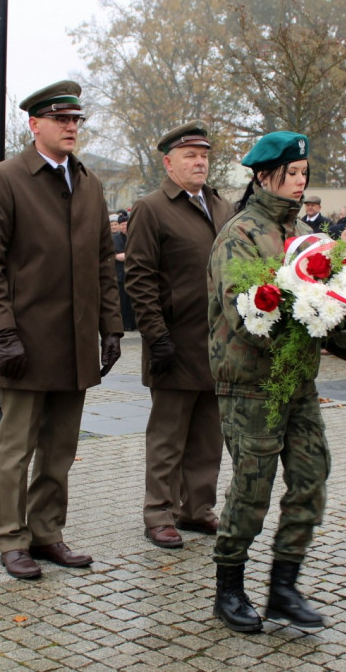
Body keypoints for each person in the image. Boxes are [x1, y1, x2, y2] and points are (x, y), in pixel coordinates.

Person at [0, 80, 123, 580]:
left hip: (75, 342)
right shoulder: (5, 178)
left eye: (76, 120)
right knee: (17, 448)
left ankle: (47, 532)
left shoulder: (90, 183)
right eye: (61, 120)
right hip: (26, 340)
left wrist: (111, 327)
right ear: (34, 124)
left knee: (61, 448)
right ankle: (11, 539)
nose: (71, 128)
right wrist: (2, 333)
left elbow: (103, 261)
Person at [208, 130, 327, 633]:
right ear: (263, 176)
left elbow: (327, 308)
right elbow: (245, 314)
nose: (299, 183)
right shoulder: (240, 234)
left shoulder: (303, 237)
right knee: (252, 490)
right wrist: (309, 310)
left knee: (311, 477)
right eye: (291, 174)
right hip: (250, 382)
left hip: (297, 382)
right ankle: (228, 589)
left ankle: (283, 587)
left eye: (303, 174)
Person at [125, 121, 229, 550]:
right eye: (190, 155)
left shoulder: (221, 206)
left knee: (208, 434)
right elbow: (140, 278)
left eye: (204, 154)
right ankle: (159, 513)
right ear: (168, 163)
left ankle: (196, 508)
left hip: (216, 343)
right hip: (173, 342)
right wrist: (156, 336)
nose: (200, 161)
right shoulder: (151, 208)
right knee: (168, 437)